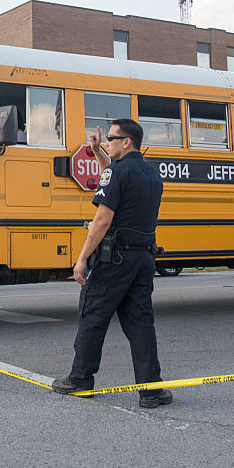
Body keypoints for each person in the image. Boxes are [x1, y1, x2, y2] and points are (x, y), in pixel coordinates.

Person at [52, 119, 172, 409]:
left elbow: (103, 219)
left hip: (113, 259)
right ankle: (151, 391)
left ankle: (80, 379)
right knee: (141, 323)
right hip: (143, 259)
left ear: (126, 141)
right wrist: (96, 152)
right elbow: (115, 173)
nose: (107, 142)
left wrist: (81, 259)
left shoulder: (117, 174)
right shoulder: (152, 175)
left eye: (111, 138)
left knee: (93, 318)